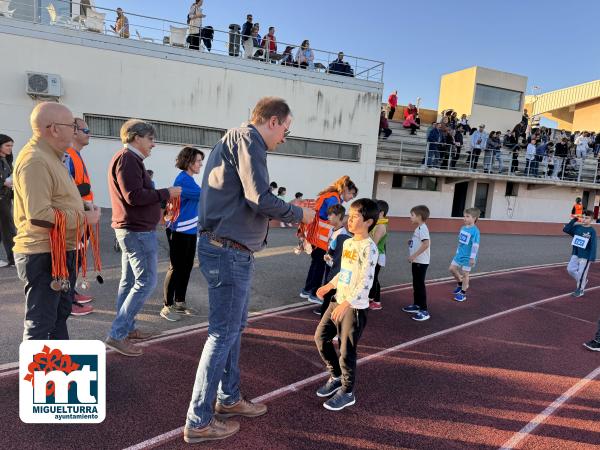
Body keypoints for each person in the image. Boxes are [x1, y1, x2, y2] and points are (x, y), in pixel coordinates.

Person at [183, 97, 315, 443]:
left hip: (231, 249)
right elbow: (259, 198)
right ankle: (198, 420)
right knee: (223, 333)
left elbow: (250, 199)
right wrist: (299, 214)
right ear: (273, 121)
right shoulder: (248, 140)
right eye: (286, 129)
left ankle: (228, 397)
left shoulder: (239, 140)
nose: (285, 137)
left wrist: (286, 209)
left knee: (232, 329)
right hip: (228, 250)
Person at [12, 102, 100, 340]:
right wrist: (85, 217)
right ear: (53, 129)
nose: (76, 130)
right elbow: (39, 215)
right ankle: (38, 375)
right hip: (44, 254)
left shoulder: (52, 157)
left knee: (57, 316)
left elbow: (55, 199)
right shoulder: (36, 160)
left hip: (58, 252)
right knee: (41, 323)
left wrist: (81, 205)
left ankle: (58, 372)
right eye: (72, 125)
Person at [105, 119, 182, 357]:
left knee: (129, 282)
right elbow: (134, 196)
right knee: (145, 281)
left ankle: (126, 329)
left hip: (133, 229)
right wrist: (165, 193)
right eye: (150, 138)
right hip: (136, 231)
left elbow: (134, 195)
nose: (153, 144)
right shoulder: (128, 159)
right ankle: (117, 334)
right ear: (136, 137)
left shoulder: (128, 159)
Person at [314, 198, 379, 411]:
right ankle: (336, 376)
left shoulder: (369, 248)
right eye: (349, 216)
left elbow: (365, 281)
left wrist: (347, 304)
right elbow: (345, 272)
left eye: (354, 217)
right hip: (338, 300)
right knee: (321, 337)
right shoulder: (348, 242)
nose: (349, 220)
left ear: (368, 221)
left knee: (346, 351)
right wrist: (329, 286)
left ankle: (348, 391)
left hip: (354, 308)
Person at [160, 147, 204, 322]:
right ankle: (167, 306)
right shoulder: (183, 180)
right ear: (189, 161)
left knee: (186, 267)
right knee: (176, 267)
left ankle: (179, 302)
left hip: (190, 230)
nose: (201, 164)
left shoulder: (189, 180)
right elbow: (204, 195)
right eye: (199, 161)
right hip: (178, 231)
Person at [300, 175, 357, 304]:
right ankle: (314, 293)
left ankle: (308, 289)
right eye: (351, 194)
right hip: (322, 238)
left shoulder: (330, 196)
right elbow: (334, 218)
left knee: (315, 264)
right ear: (345, 189)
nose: (352, 197)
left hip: (315, 235)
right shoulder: (333, 199)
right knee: (320, 266)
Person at [63, 118, 96, 315]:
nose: (89, 133)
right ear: (74, 132)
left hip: (83, 215)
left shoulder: (75, 155)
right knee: (72, 260)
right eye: (86, 130)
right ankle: (67, 302)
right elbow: (67, 189)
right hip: (76, 218)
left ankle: (71, 294)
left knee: (77, 259)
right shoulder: (68, 155)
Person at [315, 204, 350, 316]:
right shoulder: (332, 230)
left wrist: (332, 257)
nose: (328, 217)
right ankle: (325, 307)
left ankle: (327, 310)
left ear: (339, 216)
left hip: (336, 267)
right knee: (327, 286)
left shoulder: (342, 234)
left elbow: (341, 253)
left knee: (331, 288)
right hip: (329, 264)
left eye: (331, 215)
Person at [403, 205, 431, 321]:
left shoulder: (423, 228)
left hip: (421, 262)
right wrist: (412, 242)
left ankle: (424, 310)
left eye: (412, 215)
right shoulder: (419, 228)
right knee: (416, 284)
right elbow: (421, 242)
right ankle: (417, 305)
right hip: (417, 261)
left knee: (420, 285)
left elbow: (426, 243)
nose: (410, 217)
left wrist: (413, 255)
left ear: (419, 216)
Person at [449, 208, 481, 302]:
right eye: (464, 216)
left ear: (474, 218)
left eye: (467, 216)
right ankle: (460, 282)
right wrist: (457, 251)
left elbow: (475, 245)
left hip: (468, 256)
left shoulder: (475, 231)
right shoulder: (463, 228)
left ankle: (463, 293)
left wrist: (472, 258)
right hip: (459, 254)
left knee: (465, 273)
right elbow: (460, 242)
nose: (465, 218)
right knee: (452, 269)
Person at [563, 211, 596, 297]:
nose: (584, 219)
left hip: (585, 256)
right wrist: (574, 219)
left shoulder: (592, 231)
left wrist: (592, 257)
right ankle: (582, 280)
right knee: (570, 269)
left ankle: (580, 290)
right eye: (584, 217)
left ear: (591, 220)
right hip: (576, 253)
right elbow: (566, 229)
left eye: (587, 218)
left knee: (582, 273)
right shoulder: (577, 228)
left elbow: (593, 244)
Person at [368, 200, 388, 311]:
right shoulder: (377, 224)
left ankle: (377, 301)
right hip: (375, 254)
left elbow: (373, 243)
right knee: (372, 277)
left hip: (377, 255)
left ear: (381, 213)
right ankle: (372, 297)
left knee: (374, 277)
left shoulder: (381, 226)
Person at [0, 134, 16, 268]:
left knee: (6, 229)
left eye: (11, 146)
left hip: (5, 198)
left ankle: (13, 259)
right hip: (1, 198)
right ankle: (14, 259)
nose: (10, 148)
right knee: (9, 228)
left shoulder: (7, 160)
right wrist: (4, 182)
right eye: (7, 145)